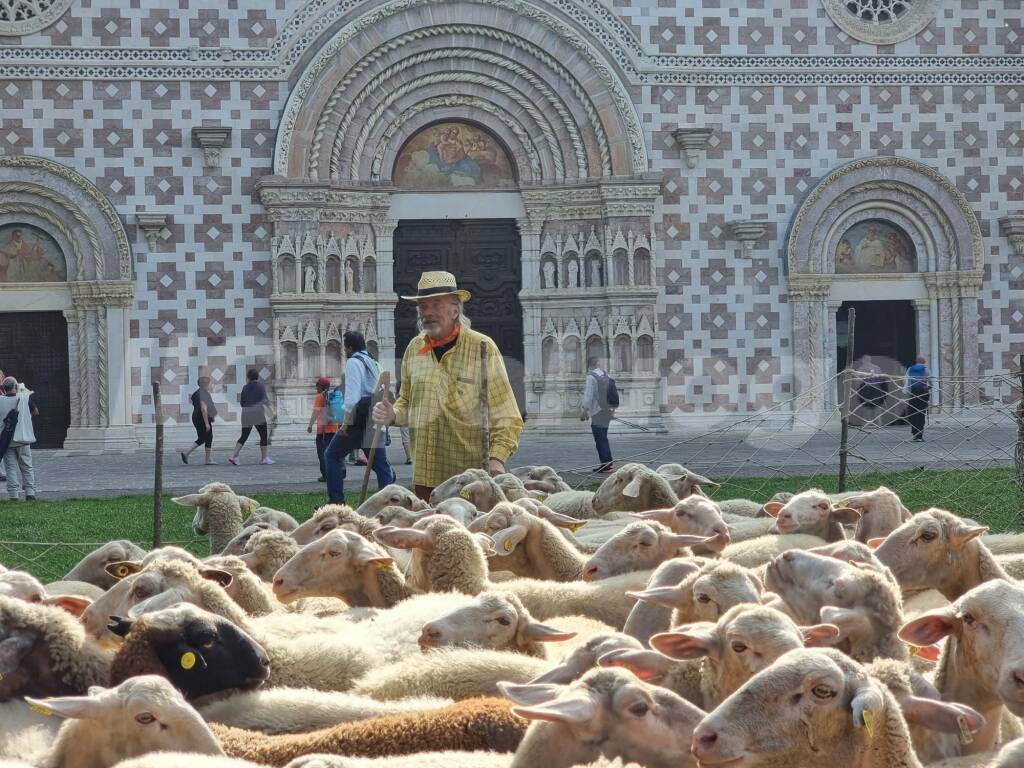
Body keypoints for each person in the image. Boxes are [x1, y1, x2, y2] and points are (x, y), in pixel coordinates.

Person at [373, 271, 523, 501]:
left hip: (468, 481)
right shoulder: (414, 349)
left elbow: (507, 414)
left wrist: (497, 458)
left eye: (436, 305)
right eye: (423, 306)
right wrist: (392, 414)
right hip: (425, 478)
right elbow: (408, 402)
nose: (428, 312)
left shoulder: (482, 348)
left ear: (456, 309)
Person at [323, 331, 394, 503]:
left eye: (345, 347)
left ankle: (336, 502)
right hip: (375, 420)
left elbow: (352, 397)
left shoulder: (354, 362)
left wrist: (346, 424)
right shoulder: (375, 363)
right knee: (380, 464)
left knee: (331, 455)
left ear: (349, 347)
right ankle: (390, 501)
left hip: (358, 421)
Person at [228, 369, 276, 466]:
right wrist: (273, 411)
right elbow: (265, 400)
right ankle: (264, 458)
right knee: (263, 436)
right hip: (257, 413)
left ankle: (234, 456)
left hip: (246, 413)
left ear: (248, 377)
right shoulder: (260, 386)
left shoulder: (245, 387)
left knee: (244, 436)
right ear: (257, 377)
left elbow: (242, 403)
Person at [0, 376, 37, 501]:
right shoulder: (25, 398)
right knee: (26, 466)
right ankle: (30, 493)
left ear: (3, 389)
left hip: (7, 440)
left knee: (10, 467)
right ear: (15, 387)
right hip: (23, 438)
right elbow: (36, 411)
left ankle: (13, 495)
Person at [581, 356, 615, 473]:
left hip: (598, 411)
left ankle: (606, 465)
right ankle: (607, 463)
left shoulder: (591, 377)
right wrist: (612, 411)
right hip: (607, 411)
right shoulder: (606, 375)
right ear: (598, 364)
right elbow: (613, 394)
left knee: (600, 439)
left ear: (590, 365)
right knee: (603, 437)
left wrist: (584, 411)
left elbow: (588, 396)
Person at [307, 376, 338, 482]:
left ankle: (326, 475)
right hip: (334, 429)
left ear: (321, 386)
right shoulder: (334, 395)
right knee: (332, 453)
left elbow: (316, 412)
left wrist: (310, 425)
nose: (316, 388)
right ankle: (335, 474)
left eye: (317, 386)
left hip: (323, 431)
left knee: (322, 453)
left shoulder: (320, 396)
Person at [181, 376, 217, 465]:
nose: (211, 385)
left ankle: (186, 453)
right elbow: (203, 409)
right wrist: (207, 424)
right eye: (210, 383)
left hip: (196, 417)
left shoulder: (196, 393)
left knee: (202, 438)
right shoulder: (204, 394)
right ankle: (207, 460)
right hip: (202, 418)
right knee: (208, 437)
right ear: (206, 385)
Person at [904, 356, 931, 442]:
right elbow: (931, 383)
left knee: (913, 413)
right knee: (921, 414)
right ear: (923, 362)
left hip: (913, 394)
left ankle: (914, 433)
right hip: (923, 394)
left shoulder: (910, 369)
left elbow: (906, 382)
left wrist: (906, 392)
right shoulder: (926, 370)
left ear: (916, 362)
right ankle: (919, 435)